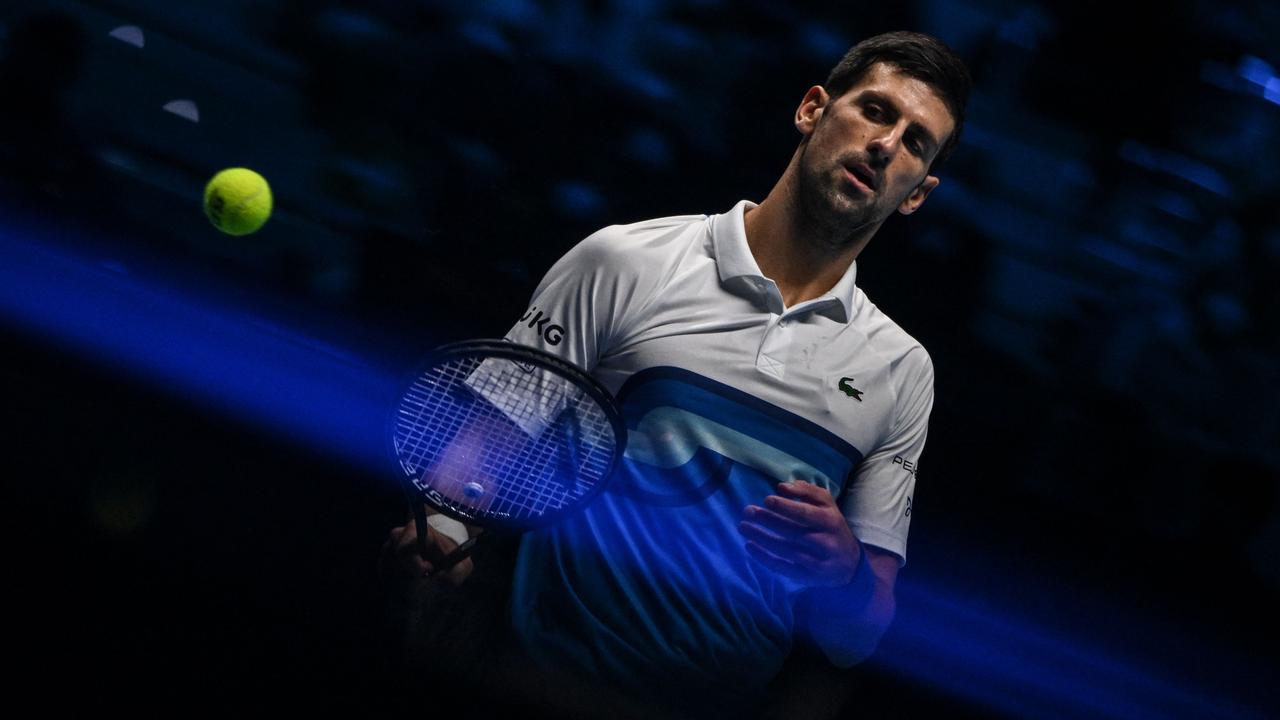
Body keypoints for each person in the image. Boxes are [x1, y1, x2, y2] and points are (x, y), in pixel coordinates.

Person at [383, 30, 970, 719]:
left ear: (916, 195)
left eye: (914, 142)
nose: (886, 144)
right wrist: (444, 537)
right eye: (875, 111)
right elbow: (491, 439)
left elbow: (858, 637)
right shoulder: (624, 262)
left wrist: (841, 572)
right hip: (532, 684)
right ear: (813, 109)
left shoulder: (901, 370)